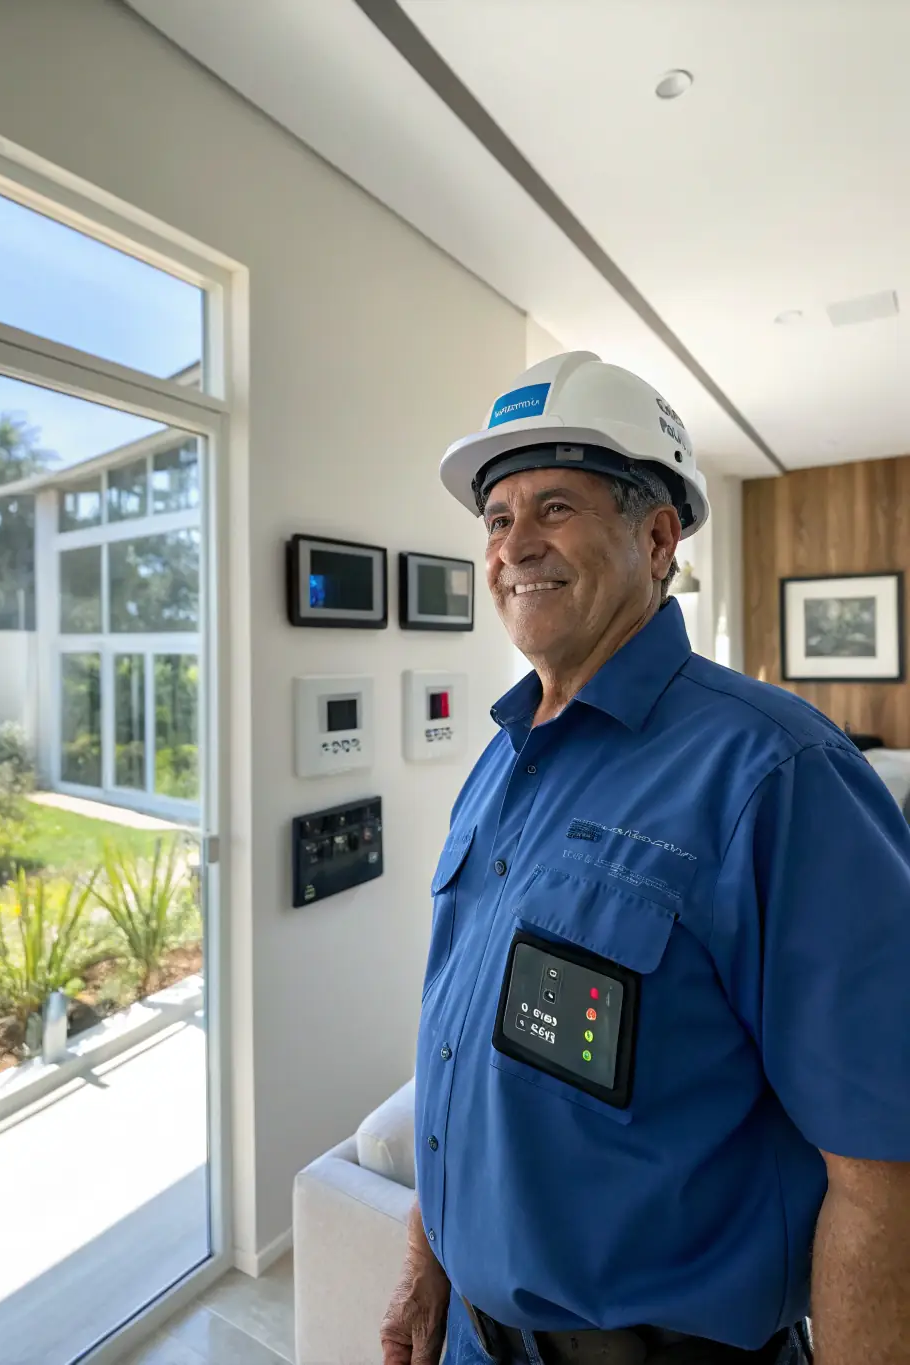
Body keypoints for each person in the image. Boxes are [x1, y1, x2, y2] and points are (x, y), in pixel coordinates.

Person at [380, 352, 910, 1365]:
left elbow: (882, 1165)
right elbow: (453, 1041)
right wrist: (427, 1254)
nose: (515, 546)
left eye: (556, 507)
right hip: (474, 1342)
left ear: (657, 536)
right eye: (496, 518)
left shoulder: (774, 770)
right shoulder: (499, 760)